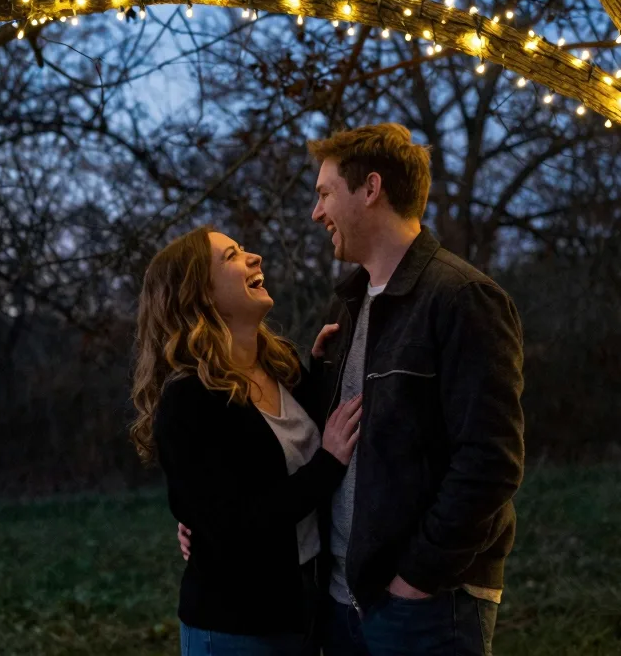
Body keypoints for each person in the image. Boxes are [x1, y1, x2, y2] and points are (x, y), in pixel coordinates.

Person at [179, 123, 525, 656]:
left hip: (424, 602)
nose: (317, 213)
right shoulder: (348, 306)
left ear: (371, 189)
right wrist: (204, 518)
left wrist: (416, 578)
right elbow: (304, 441)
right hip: (340, 602)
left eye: (324, 194)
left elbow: (491, 462)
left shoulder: (461, 299)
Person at [130, 226, 363, 656]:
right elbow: (237, 524)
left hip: (306, 614)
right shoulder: (189, 399)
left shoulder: (283, 364)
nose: (254, 257)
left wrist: (323, 371)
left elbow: (298, 447)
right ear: (198, 293)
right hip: (236, 629)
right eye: (233, 256)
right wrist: (327, 466)